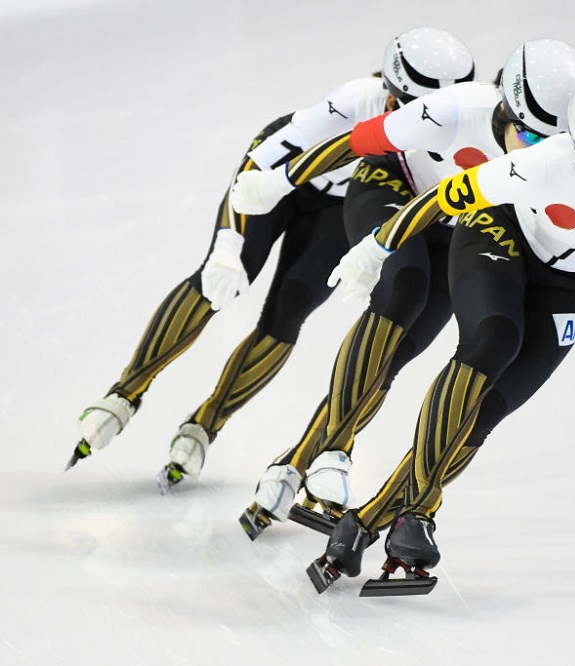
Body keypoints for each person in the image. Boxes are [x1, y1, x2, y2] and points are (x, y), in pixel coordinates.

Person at [303, 68, 575, 593]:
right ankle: (418, 512)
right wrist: (376, 246)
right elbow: (442, 199)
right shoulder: (539, 166)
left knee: (486, 413)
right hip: (500, 233)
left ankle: (367, 521)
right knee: (493, 339)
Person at [67, 28, 476, 491]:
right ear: (393, 94)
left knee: (288, 312)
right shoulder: (357, 99)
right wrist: (226, 246)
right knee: (221, 279)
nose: (428, 124)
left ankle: (206, 424)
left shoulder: (456, 128)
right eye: (417, 111)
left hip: (342, 209)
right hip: (280, 183)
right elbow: (264, 156)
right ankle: (125, 392)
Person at [229, 39, 575, 539]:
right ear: (507, 110)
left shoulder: (557, 157)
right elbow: (359, 141)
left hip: (453, 224)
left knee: (396, 354)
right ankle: (336, 448)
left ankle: (293, 463)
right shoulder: (455, 110)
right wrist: (282, 180)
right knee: (404, 288)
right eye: (532, 138)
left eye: (557, 146)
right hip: (391, 187)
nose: (542, 157)